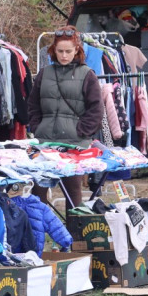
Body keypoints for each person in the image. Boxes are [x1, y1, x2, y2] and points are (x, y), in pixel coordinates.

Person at [27, 29, 104, 212]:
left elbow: (96, 109)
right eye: (60, 51)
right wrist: (38, 128)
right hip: (45, 142)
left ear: (77, 50)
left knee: (73, 191)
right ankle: (38, 235)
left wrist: (81, 131)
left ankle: (74, 236)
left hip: (74, 143)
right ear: (54, 50)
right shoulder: (44, 74)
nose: (64, 55)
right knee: (39, 190)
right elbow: (32, 105)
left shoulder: (87, 74)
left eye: (68, 51)